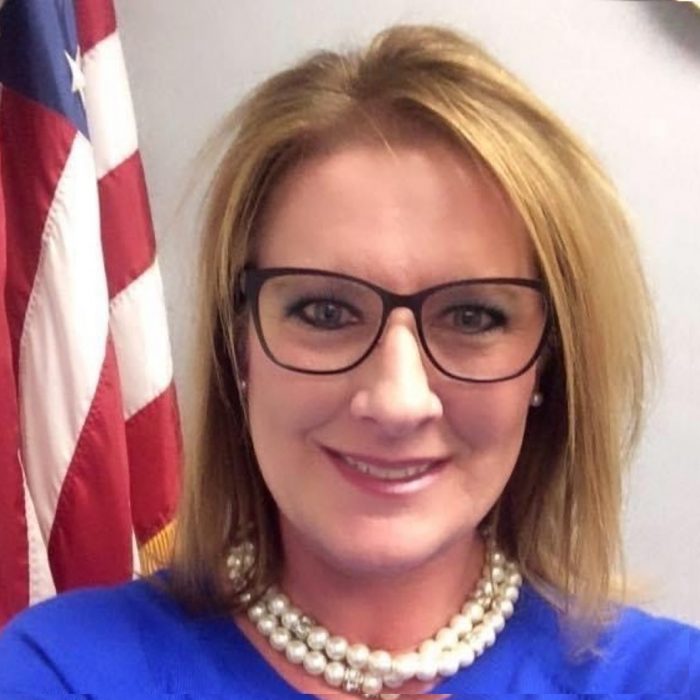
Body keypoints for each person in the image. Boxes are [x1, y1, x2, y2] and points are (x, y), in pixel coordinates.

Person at [0, 24, 697, 698]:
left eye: (473, 317)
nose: (397, 401)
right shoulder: (56, 673)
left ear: (548, 361)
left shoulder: (671, 680)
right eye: (326, 313)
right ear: (239, 346)